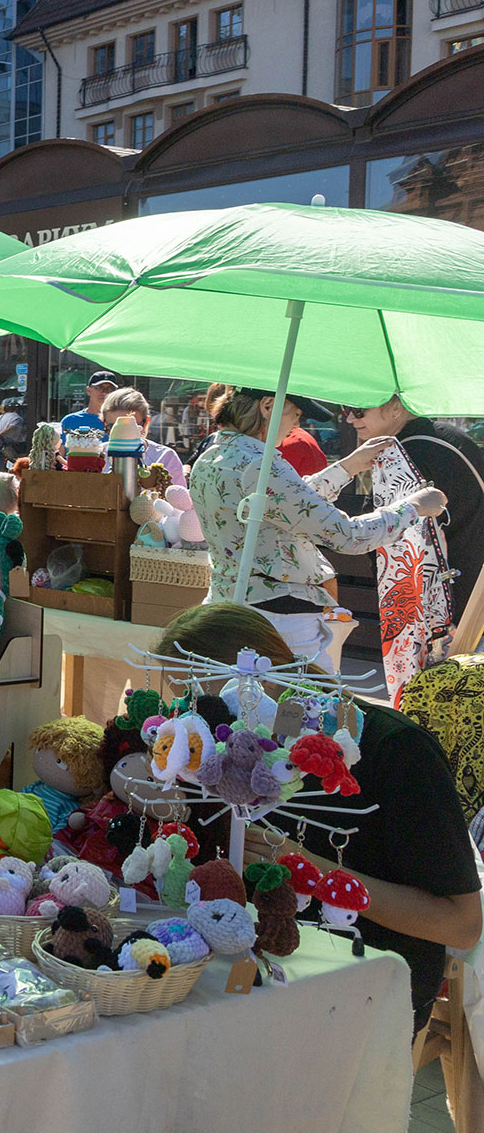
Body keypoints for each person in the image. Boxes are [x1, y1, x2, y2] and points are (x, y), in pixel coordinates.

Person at [160, 603, 481, 1032]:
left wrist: (312, 872)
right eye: (182, 703)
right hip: (262, 964)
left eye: (201, 699)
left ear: (260, 675)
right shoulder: (224, 750)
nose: (192, 720)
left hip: (369, 983)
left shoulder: (397, 752)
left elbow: (461, 925)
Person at [189, 386, 444, 669]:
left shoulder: (212, 456)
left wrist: (347, 467)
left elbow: (286, 505)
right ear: (268, 406)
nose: (296, 425)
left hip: (229, 604)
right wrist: (413, 508)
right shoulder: (259, 465)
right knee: (302, 706)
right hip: (279, 618)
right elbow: (347, 536)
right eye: (294, 414)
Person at [348, 395, 484, 637]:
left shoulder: (401, 457)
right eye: (345, 408)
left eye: (359, 409)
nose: (349, 417)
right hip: (473, 587)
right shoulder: (450, 437)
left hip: (434, 609)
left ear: (396, 408)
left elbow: (382, 538)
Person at [98, 387, 186, 481]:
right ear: (104, 423)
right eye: (114, 427)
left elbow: (179, 494)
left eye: (132, 427)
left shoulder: (165, 457)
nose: (124, 435)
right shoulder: (95, 457)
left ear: (146, 423)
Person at [61, 369, 119, 434]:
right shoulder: (71, 420)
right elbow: (61, 444)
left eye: (110, 388)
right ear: (88, 390)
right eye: (99, 387)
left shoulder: (121, 421)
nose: (104, 392)